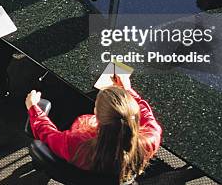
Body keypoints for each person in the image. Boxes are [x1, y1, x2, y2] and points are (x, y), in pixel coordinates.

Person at [25, 76, 162, 183]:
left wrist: (33, 108)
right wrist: (127, 91)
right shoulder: (151, 138)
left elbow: (46, 133)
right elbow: (146, 114)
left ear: (98, 115)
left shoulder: (76, 144)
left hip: (79, 171)